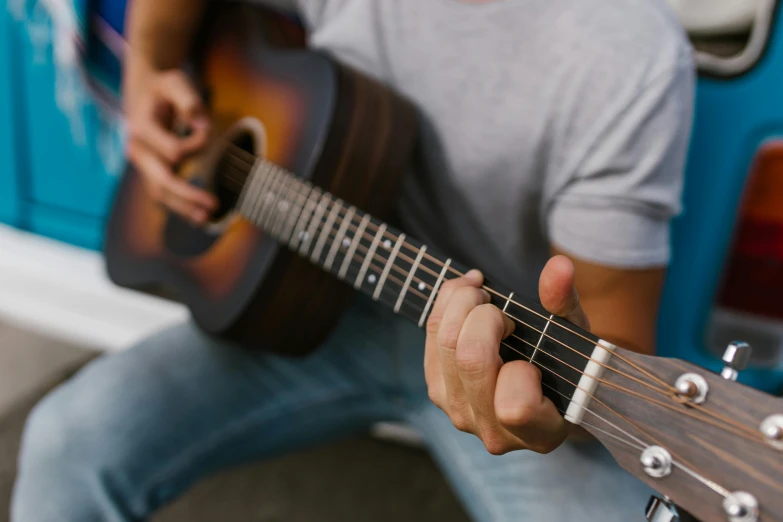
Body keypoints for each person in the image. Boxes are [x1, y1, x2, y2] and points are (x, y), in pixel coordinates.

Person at [12, 0, 695, 520]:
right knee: (64, 444)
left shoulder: (626, 56)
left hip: (498, 361)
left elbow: (612, 351)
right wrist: (152, 66)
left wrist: (555, 415)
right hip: (309, 307)